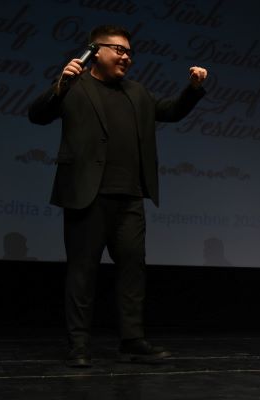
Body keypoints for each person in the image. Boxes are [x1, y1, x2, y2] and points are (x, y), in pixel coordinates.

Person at [28, 25, 207, 367]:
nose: (126, 57)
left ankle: (132, 341)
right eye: (119, 50)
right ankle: (79, 344)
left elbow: (170, 111)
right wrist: (59, 85)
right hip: (86, 195)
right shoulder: (74, 85)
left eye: (129, 52)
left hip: (130, 197)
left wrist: (193, 89)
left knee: (132, 270)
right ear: (95, 51)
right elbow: (37, 116)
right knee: (82, 273)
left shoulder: (136, 92)